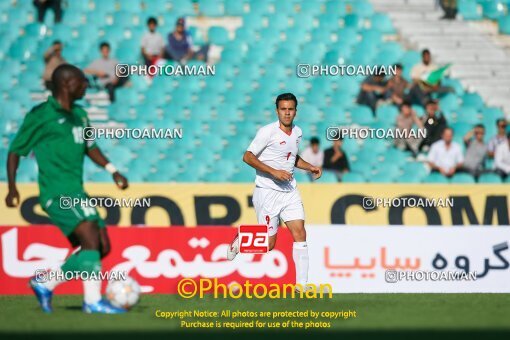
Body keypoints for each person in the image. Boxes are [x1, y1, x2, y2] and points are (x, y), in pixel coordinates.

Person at [5, 64, 129, 314]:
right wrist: (12, 188)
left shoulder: (81, 115)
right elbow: (15, 151)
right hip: (56, 192)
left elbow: (90, 147)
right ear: (66, 84)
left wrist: (112, 170)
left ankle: (45, 282)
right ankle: (92, 301)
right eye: (82, 82)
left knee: (101, 247)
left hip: (77, 191)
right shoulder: (41, 115)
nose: (86, 86)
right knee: (91, 238)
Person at [226, 93, 322, 291]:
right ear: (277, 110)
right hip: (267, 192)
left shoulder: (298, 132)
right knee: (269, 245)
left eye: (290, 109)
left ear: (296, 111)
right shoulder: (267, 132)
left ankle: (301, 286)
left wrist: (310, 167)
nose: (287, 113)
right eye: (283, 109)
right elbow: (247, 156)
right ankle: (242, 239)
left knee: (300, 233)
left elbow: (291, 157)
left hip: (289, 191)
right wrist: (273, 172)